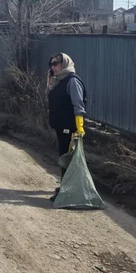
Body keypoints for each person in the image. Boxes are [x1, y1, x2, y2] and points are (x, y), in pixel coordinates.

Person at [47, 53, 87, 202]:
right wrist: (49, 80)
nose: (53, 67)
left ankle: (66, 190)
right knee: (63, 155)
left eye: (56, 63)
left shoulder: (72, 81)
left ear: (64, 64)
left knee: (66, 157)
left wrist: (79, 126)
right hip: (60, 125)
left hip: (70, 126)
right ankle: (65, 185)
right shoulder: (57, 81)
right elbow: (50, 97)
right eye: (51, 64)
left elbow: (78, 105)